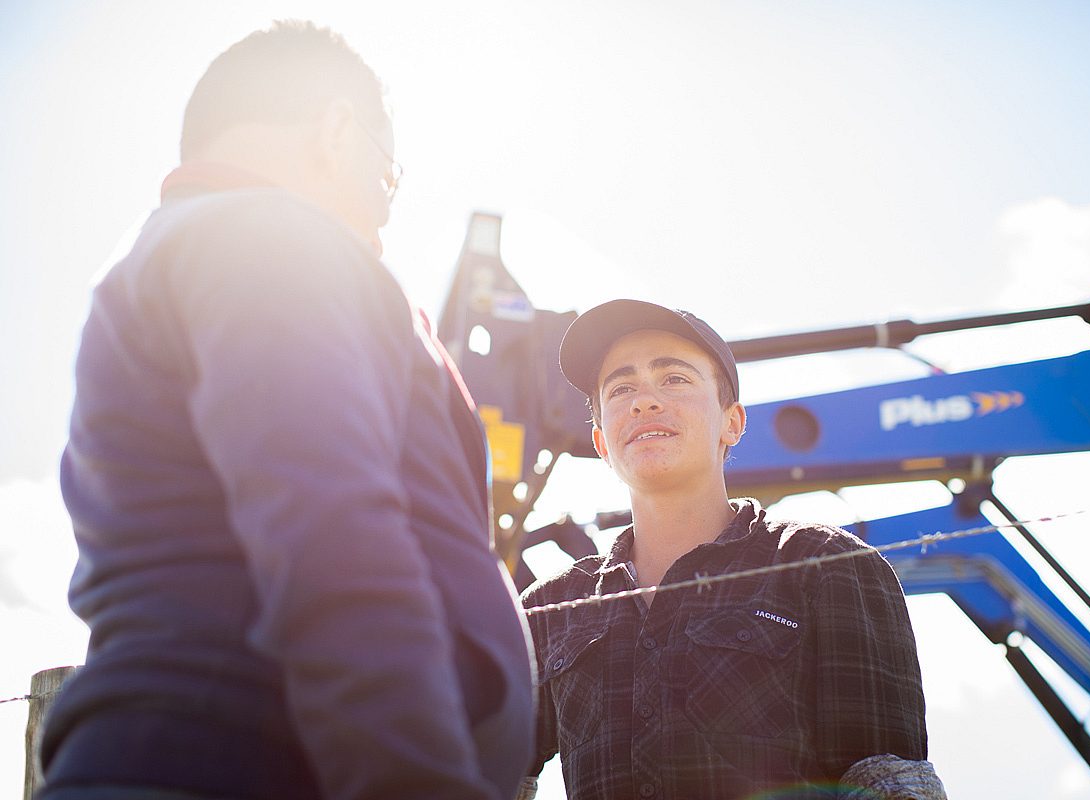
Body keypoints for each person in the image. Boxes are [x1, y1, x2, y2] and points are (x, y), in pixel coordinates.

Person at [40, 21, 534, 800]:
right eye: (389, 175)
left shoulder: (182, 252)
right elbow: (327, 518)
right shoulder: (265, 234)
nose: (384, 213)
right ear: (337, 130)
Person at [520, 299, 946, 799]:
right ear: (601, 443)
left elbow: (888, 783)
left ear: (733, 423)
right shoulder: (548, 611)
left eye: (674, 379)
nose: (643, 401)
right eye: (621, 388)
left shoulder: (827, 566)